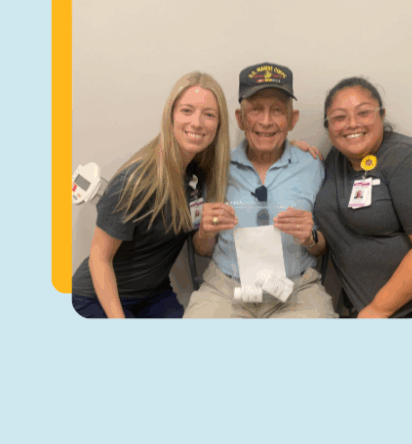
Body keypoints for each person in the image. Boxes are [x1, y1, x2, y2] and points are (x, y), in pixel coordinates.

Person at [71, 72, 232, 318]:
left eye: (208, 114)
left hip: (153, 294)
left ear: (219, 124)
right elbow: (99, 258)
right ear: (170, 116)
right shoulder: (135, 181)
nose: (197, 123)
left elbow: (201, 250)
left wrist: (207, 230)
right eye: (187, 111)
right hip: (97, 297)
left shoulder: (197, 176)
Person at [184, 62, 337, 318]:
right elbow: (202, 249)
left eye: (277, 111)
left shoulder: (313, 166)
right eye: (255, 110)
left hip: (296, 290)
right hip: (226, 288)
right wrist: (206, 232)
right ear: (240, 118)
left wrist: (310, 237)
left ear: (292, 119)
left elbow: (324, 247)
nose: (266, 122)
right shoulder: (213, 167)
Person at [314, 77, 412, 318]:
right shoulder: (335, 160)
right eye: (339, 117)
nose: (352, 124)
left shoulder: (408, 159)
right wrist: (291, 149)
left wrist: (378, 310)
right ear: (328, 126)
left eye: (363, 112)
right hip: (363, 311)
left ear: (381, 115)